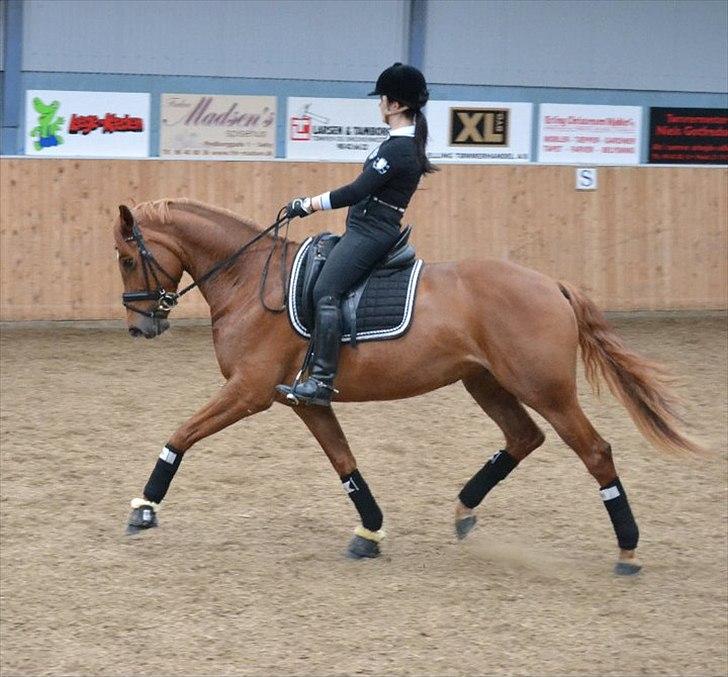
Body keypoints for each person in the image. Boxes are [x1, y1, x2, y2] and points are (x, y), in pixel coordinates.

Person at [276, 63, 438, 406]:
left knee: (326, 289)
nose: (379, 104)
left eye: (383, 99)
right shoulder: (396, 144)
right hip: (362, 228)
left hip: (373, 232)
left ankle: (321, 379)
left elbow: (355, 191)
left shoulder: (399, 149)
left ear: (396, 105)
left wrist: (308, 204)